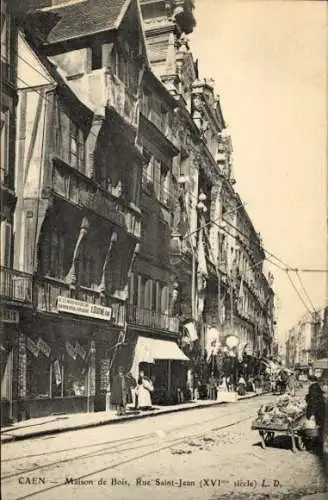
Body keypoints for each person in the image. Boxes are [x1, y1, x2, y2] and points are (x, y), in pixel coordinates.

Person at [305, 381, 325, 453]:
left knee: (316, 432)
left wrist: (312, 415)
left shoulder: (315, 399)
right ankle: (316, 447)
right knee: (317, 432)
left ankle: (315, 448)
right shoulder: (318, 397)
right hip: (319, 416)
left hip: (317, 417)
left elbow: (314, 407)